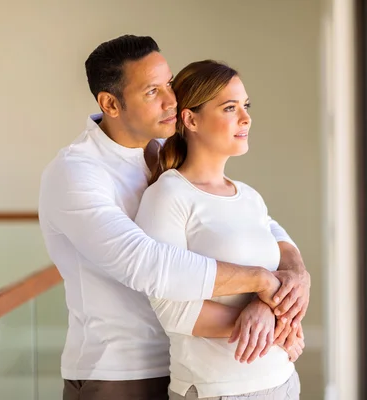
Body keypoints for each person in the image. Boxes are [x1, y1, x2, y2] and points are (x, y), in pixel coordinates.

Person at [38, 34, 310, 400]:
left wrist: (294, 275)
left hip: (190, 363)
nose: (171, 99)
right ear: (110, 104)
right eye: (152, 91)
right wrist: (264, 286)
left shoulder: (168, 149)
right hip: (122, 372)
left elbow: (254, 219)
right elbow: (147, 264)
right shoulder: (77, 172)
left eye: (168, 84)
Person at [135, 60, 304, 400]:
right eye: (230, 107)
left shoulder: (249, 196)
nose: (246, 118)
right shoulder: (168, 195)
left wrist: (270, 304)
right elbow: (173, 310)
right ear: (191, 119)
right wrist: (275, 323)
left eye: (246, 106)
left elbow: (283, 250)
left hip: (283, 379)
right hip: (217, 390)